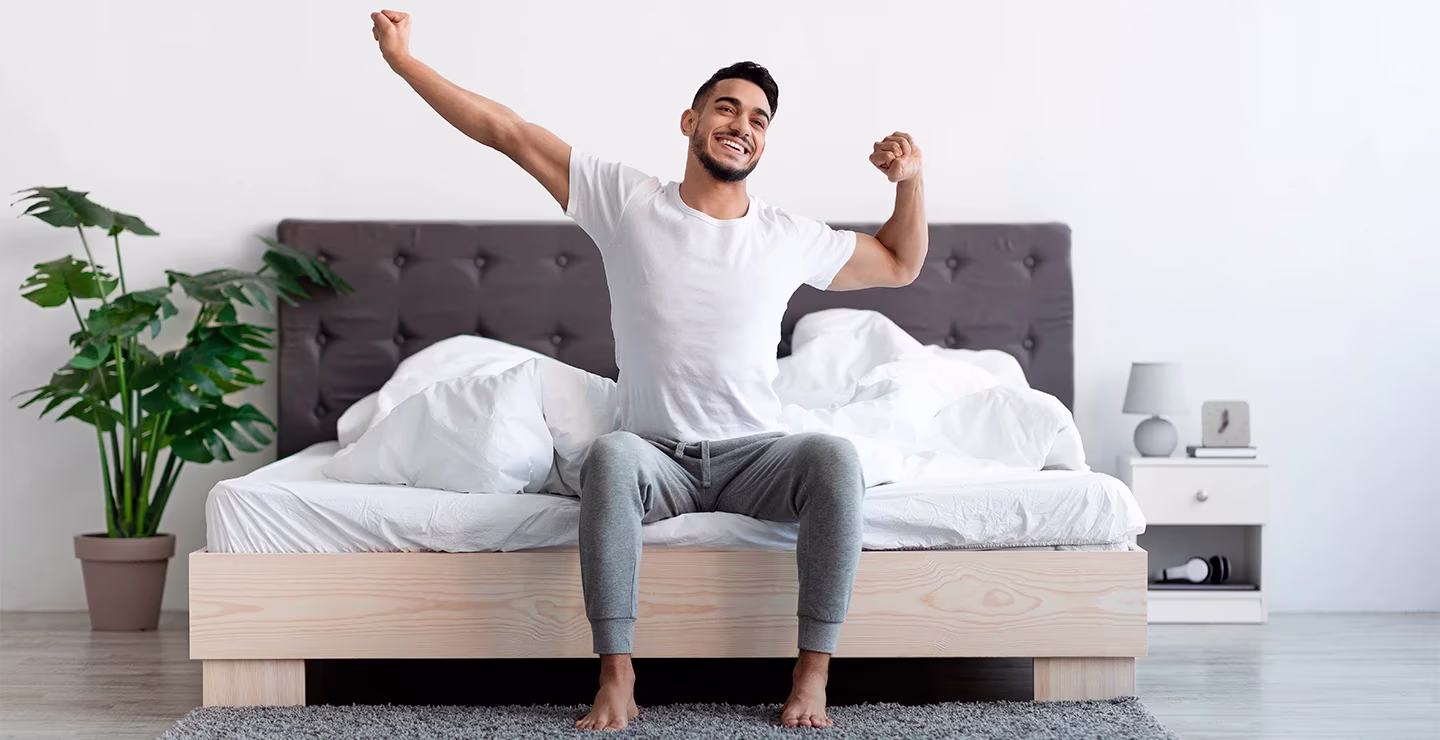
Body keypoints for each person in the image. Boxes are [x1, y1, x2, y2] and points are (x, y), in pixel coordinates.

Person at [370, 9, 927, 731]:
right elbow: (505, 131)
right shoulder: (627, 201)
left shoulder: (788, 236)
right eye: (727, 107)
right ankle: (617, 677)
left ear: (765, 141)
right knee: (607, 457)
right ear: (691, 120)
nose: (742, 123)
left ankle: (812, 673)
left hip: (756, 454)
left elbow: (900, 261)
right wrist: (405, 62)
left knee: (833, 459)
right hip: (656, 456)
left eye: (759, 117)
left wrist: (909, 182)